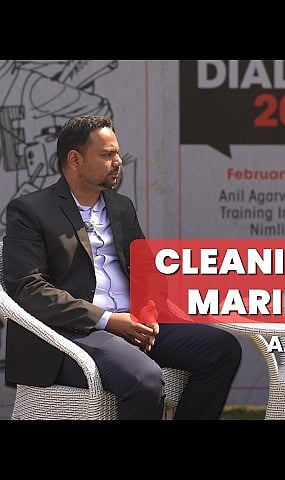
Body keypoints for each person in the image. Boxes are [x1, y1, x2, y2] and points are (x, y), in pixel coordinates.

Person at [2, 114, 242, 419]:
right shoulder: (31, 210)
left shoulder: (120, 206)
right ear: (75, 160)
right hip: (73, 333)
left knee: (223, 349)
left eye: (117, 153)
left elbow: (148, 270)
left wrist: (150, 309)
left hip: (134, 324)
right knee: (145, 379)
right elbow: (28, 289)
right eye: (107, 155)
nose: (118, 162)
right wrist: (107, 320)